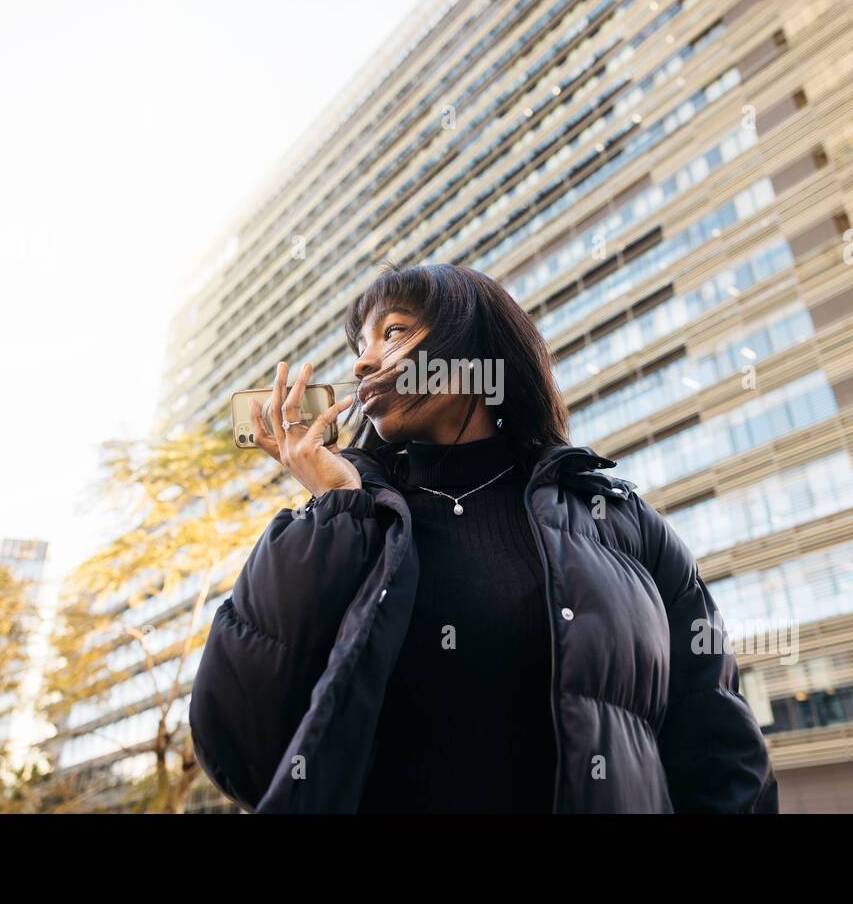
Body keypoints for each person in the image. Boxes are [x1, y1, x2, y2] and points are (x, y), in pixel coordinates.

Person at [188, 262, 779, 813]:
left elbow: (721, 750)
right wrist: (336, 509)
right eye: (359, 348)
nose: (364, 364)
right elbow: (241, 749)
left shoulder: (623, 525)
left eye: (392, 333)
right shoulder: (347, 520)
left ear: (474, 350)